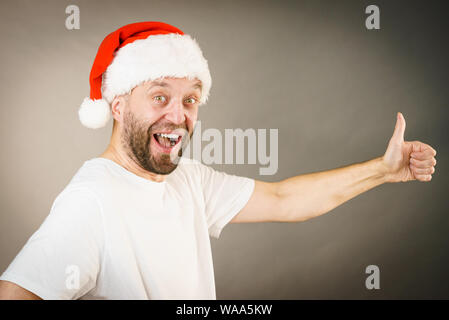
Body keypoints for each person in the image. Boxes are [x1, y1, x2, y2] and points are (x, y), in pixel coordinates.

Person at [0, 21, 437, 300]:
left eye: (189, 99)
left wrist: (384, 169)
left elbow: (286, 200)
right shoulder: (90, 199)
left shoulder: (188, 180)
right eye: (159, 97)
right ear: (117, 105)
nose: (178, 116)